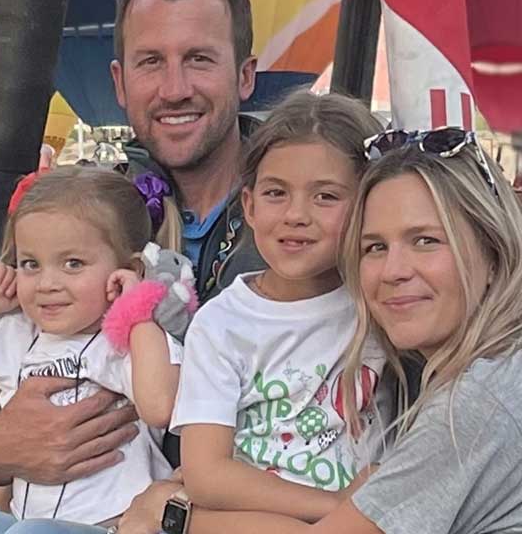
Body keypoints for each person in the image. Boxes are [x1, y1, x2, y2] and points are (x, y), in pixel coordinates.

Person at [0, 0, 263, 495]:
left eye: (199, 59)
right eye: (150, 62)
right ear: (119, 81)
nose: (174, 88)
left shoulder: (301, 222)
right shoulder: (86, 213)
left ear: (245, 75)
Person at [131, 131, 522, 533]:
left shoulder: (479, 402)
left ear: (493, 251)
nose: (394, 271)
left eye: (426, 240)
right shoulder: (489, 371)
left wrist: (172, 514)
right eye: (375, 247)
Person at [165, 89, 389, 526]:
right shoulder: (223, 324)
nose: (296, 215)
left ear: (368, 204)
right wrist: (336, 506)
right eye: (275, 193)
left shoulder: (381, 303)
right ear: (248, 206)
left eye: (326, 196)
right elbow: (206, 474)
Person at [0, 166, 186, 531]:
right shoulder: (13, 335)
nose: (47, 283)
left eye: (73, 264)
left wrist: (136, 308)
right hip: (26, 523)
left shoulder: (132, 341)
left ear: (127, 269)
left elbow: (160, 408)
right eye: (30, 264)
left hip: (112, 525)